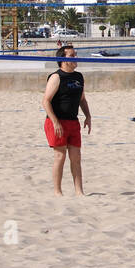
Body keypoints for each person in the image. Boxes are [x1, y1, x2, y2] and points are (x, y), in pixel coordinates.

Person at [43, 44, 91, 196]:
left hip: (73, 121)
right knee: (60, 156)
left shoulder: (79, 76)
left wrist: (88, 116)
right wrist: (55, 122)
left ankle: (79, 191)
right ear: (62, 60)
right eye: (72, 56)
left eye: (76, 54)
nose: (76, 58)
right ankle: (58, 192)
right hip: (57, 122)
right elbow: (45, 101)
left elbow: (82, 99)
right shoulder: (56, 77)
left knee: (76, 157)